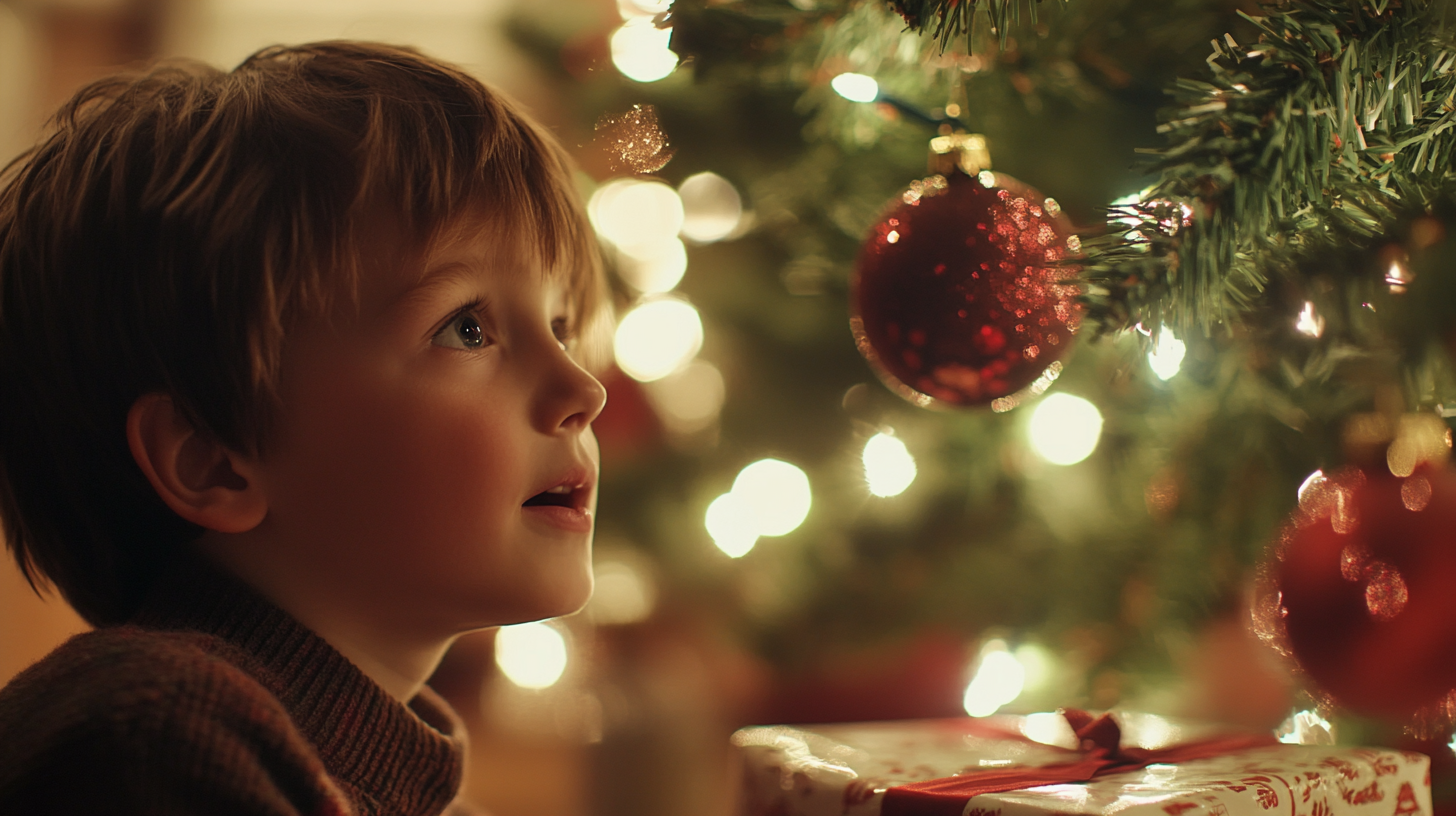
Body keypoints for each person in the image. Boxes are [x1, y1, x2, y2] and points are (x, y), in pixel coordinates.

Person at [0, 40, 608, 815]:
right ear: (213, 460)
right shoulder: (153, 730)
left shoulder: (388, 781)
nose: (582, 388)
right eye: (465, 329)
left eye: (560, 323)